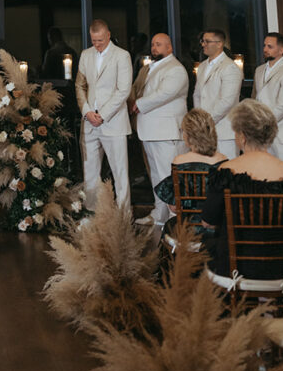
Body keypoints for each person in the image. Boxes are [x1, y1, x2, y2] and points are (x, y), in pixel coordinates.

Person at [201, 99, 283, 279]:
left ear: (242, 136)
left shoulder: (226, 171)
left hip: (235, 267)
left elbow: (208, 221)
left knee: (207, 245)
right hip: (281, 267)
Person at [131, 33, 189, 227]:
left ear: (170, 47)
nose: (154, 48)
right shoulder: (150, 68)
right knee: (156, 175)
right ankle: (159, 214)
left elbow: (164, 94)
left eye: (159, 45)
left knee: (169, 175)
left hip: (167, 132)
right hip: (150, 130)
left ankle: (175, 219)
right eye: (153, 44)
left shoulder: (176, 69)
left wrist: (138, 104)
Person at [75, 20, 132, 212]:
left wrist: (103, 114)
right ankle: (92, 212)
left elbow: (123, 90)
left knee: (120, 172)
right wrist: (87, 112)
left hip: (113, 122)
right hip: (89, 122)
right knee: (90, 171)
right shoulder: (85, 54)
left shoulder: (122, 56)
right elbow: (80, 85)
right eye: (93, 40)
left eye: (100, 40)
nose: (97, 44)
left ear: (108, 35)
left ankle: (124, 215)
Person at [152, 108, 226, 237]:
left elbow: (174, 207)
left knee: (169, 227)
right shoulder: (223, 160)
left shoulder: (179, 161)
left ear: (188, 136)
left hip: (188, 228)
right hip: (217, 228)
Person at [192, 28, 242, 160]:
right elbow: (197, 94)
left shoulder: (229, 67)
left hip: (225, 130)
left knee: (228, 170)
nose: (203, 44)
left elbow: (227, 101)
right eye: (203, 41)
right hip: (205, 130)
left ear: (219, 44)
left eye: (207, 41)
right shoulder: (202, 66)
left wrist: (207, 121)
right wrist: (199, 119)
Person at [253, 32, 283, 164]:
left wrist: (262, 123)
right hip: (261, 132)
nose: (265, 49)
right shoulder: (259, 70)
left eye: (270, 46)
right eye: (264, 46)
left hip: (282, 131)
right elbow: (256, 99)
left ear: (281, 50)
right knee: (265, 173)